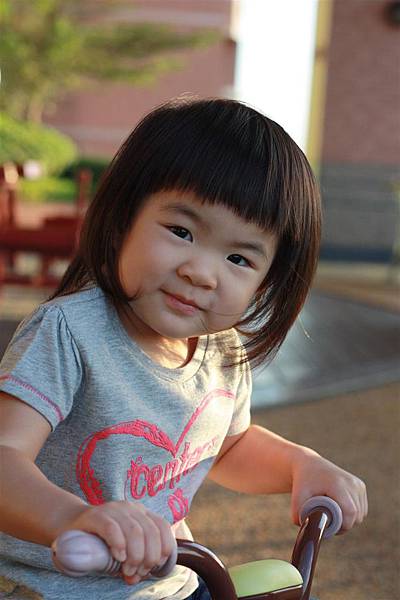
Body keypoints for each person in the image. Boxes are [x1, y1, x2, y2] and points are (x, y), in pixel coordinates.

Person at [0, 98, 367, 600]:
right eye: (181, 232)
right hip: (56, 586)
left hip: (172, 584)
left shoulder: (222, 352)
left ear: (265, 282)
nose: (202, 272)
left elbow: (227, 447)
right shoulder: (70, 333)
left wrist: (301, 464)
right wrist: (74, 517)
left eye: (238, 258)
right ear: (124, 217)